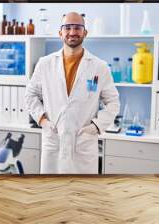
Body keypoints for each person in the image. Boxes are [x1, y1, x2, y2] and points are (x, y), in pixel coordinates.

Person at [25, 12, 120, 174]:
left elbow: (113, 102)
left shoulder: (99, 67)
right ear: (60, 33)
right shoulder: (45, 64)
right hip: (53, 140)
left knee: (82, 194)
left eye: (77, 27)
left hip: (83, 144)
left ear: (85, 32)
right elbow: (30, 95)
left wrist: (96, 126)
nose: (72, 32)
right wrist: (43, 121)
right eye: (67, 27)